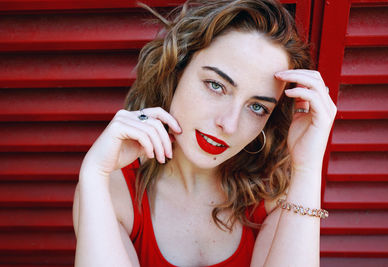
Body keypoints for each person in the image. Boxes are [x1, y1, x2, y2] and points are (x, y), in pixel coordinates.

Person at [72, 0, 336, 266]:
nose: (229, 125)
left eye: (257, 107)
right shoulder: (112, 190)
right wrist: (93, 173)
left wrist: (307, 169)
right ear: (176, 70)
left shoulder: (273, 197)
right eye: (216, 85)